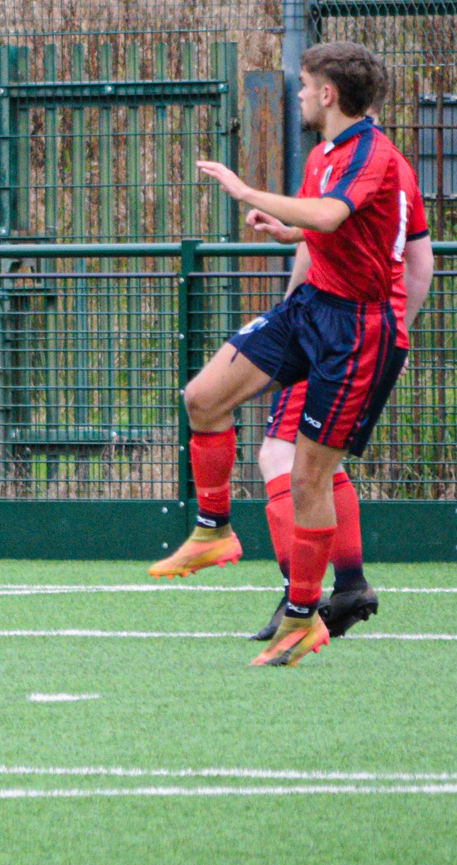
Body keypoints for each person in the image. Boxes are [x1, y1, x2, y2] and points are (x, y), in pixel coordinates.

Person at [172, 41, 418, 667]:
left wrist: (247, 192)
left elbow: (334, 217)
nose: (301, 95)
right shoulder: (324, 154)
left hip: (357, 330)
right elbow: (323, 226)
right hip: (309, 309)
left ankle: (305, 615)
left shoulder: (375, 155)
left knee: (308, 475)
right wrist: (288, 230)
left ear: (328, 94)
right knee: (202, 397)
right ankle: (214, 529)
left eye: (306, 86)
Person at [230, 163, 432, 643]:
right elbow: (422, 264)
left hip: (333, 326)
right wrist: (399, 334)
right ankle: (349, 584)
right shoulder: (399, 171)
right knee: (322, 460)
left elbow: (312, 248)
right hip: (376, 329)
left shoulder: (346, 163)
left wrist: (293, 325)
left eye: (308, 84)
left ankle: (297, 598)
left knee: (280, 453)